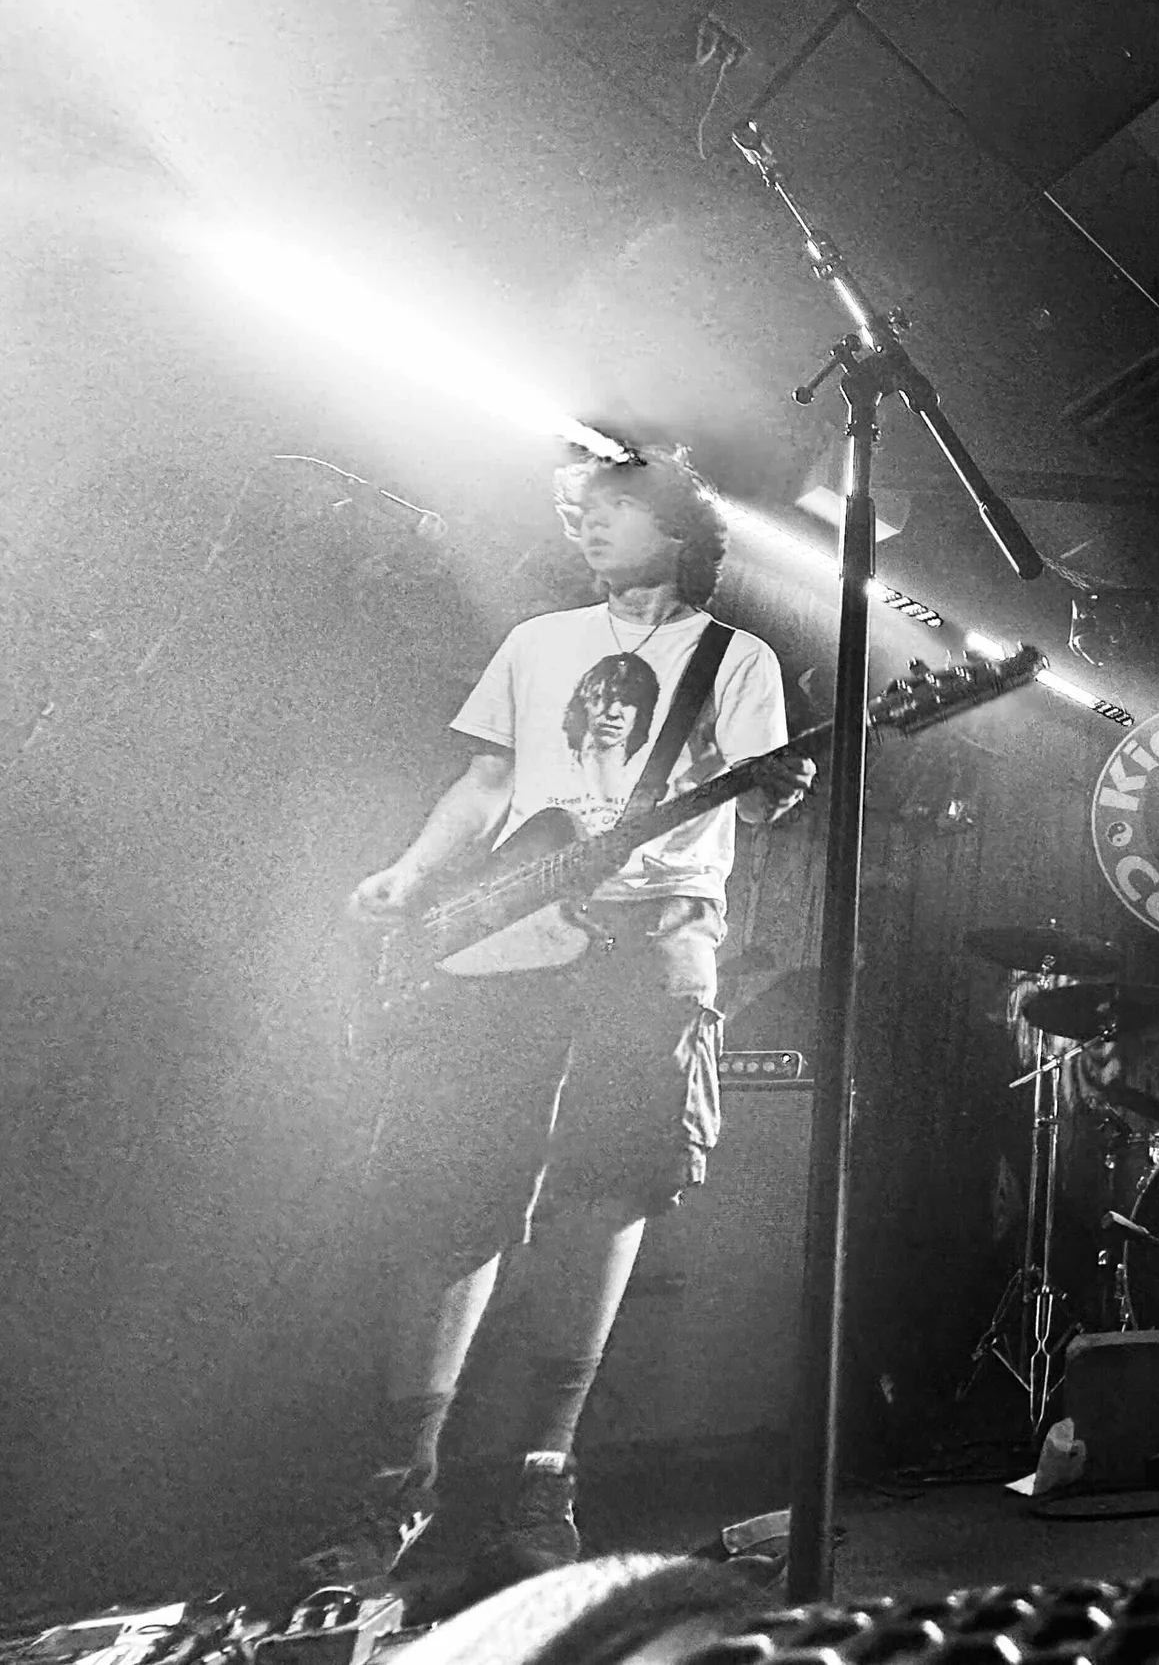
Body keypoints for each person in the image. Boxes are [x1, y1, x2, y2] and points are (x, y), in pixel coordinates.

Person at [308, 446, 812, 1601]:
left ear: (677, 529)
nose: (586, 522)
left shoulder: (737, 661)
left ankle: (544, 1480)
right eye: (579, 510)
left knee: (605, 1195)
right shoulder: (537, 644)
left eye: (615, 508)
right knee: (457, 1194)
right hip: (509, 943)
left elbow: (764, 784)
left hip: (651, 941)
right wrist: (409, 875)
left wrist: (767, 780)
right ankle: (397, 1487)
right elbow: (487, 787)